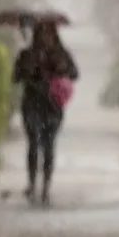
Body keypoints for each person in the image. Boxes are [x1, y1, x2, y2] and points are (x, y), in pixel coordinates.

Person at [12, 20, 79, 205]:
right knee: (33, 142)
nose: (44, 36)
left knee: (49, 145)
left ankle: (46, 187)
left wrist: (61, 68)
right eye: (41, 32)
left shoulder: (61, 54)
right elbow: (15, 76)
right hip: (32, 104)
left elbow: (74, 73)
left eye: (48, 32)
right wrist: (28, 69)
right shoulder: (27, 54)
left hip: (52, 108)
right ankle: (32, 184)